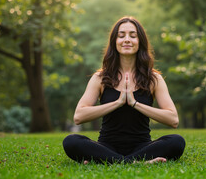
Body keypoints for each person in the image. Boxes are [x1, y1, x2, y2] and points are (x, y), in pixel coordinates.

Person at [63, 16, 185, 164]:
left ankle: (108, 161)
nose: (127, 39)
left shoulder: (153, 79)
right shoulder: (100, 78)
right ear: (115, 42)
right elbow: (79, 116)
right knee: (71, 141)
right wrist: (118, 102)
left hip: (142, 146)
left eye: (132, 36)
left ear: (140, 42)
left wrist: (134, 103)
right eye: (121, 36)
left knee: (177, 141)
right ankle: (136, 162)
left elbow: (173, 119)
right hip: (106, 146)